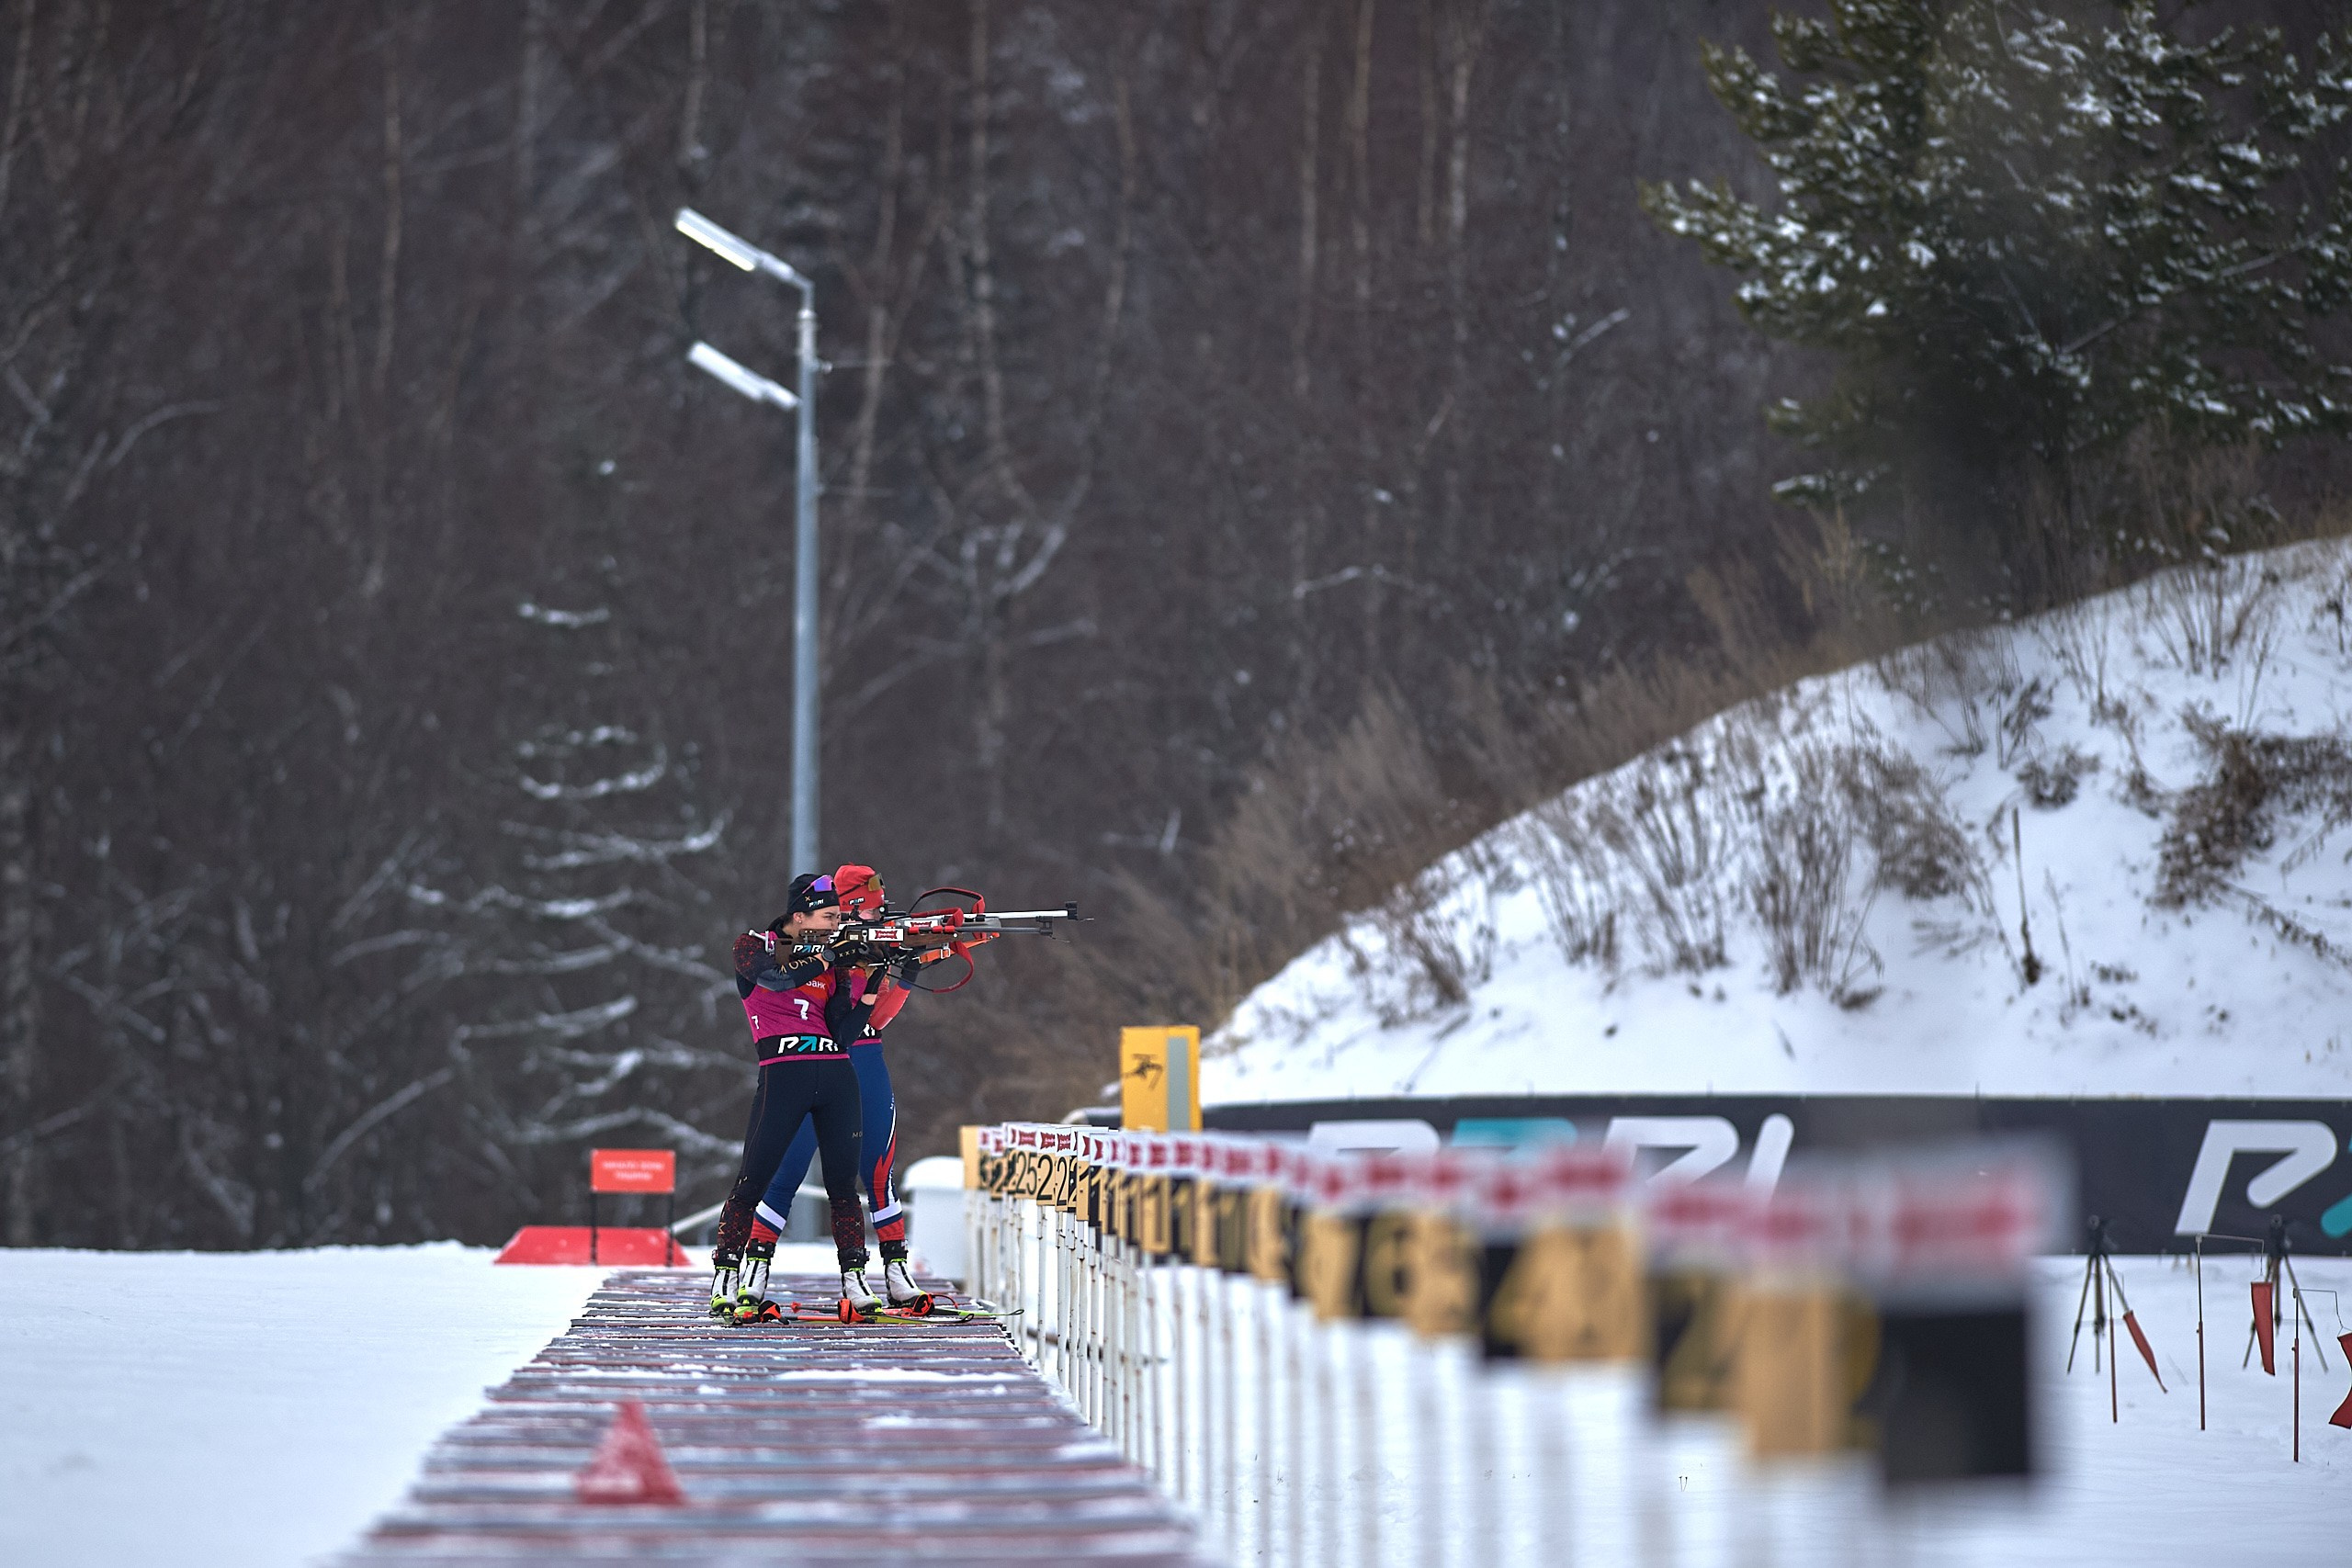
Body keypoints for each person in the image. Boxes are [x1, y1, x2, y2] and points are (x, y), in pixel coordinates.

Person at [750, 864, 933, 1312]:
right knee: (785, 1170)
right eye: (869, 913)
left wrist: (906, 969)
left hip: (864, 1058)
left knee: (878, 1169)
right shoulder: (806, 951)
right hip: (812, 1060)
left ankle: (893, 1268)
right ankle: (754, 1267)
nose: (878, 921)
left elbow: (877, 1018)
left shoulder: (866, 943)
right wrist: (841, 959)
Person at [708, 872, 877, 1323]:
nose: (833, 927)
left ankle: (855, 1280)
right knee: (753, 1180)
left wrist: (873, 981)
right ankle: (725, 1275)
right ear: (798, 916)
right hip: (784, 1075)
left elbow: (843, 1032)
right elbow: (777, 979)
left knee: (844, 1184)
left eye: (838, 919)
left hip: (836, 1075)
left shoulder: (831, 959)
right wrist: (828, 956)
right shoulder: (754, 945)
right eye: (826, 918)